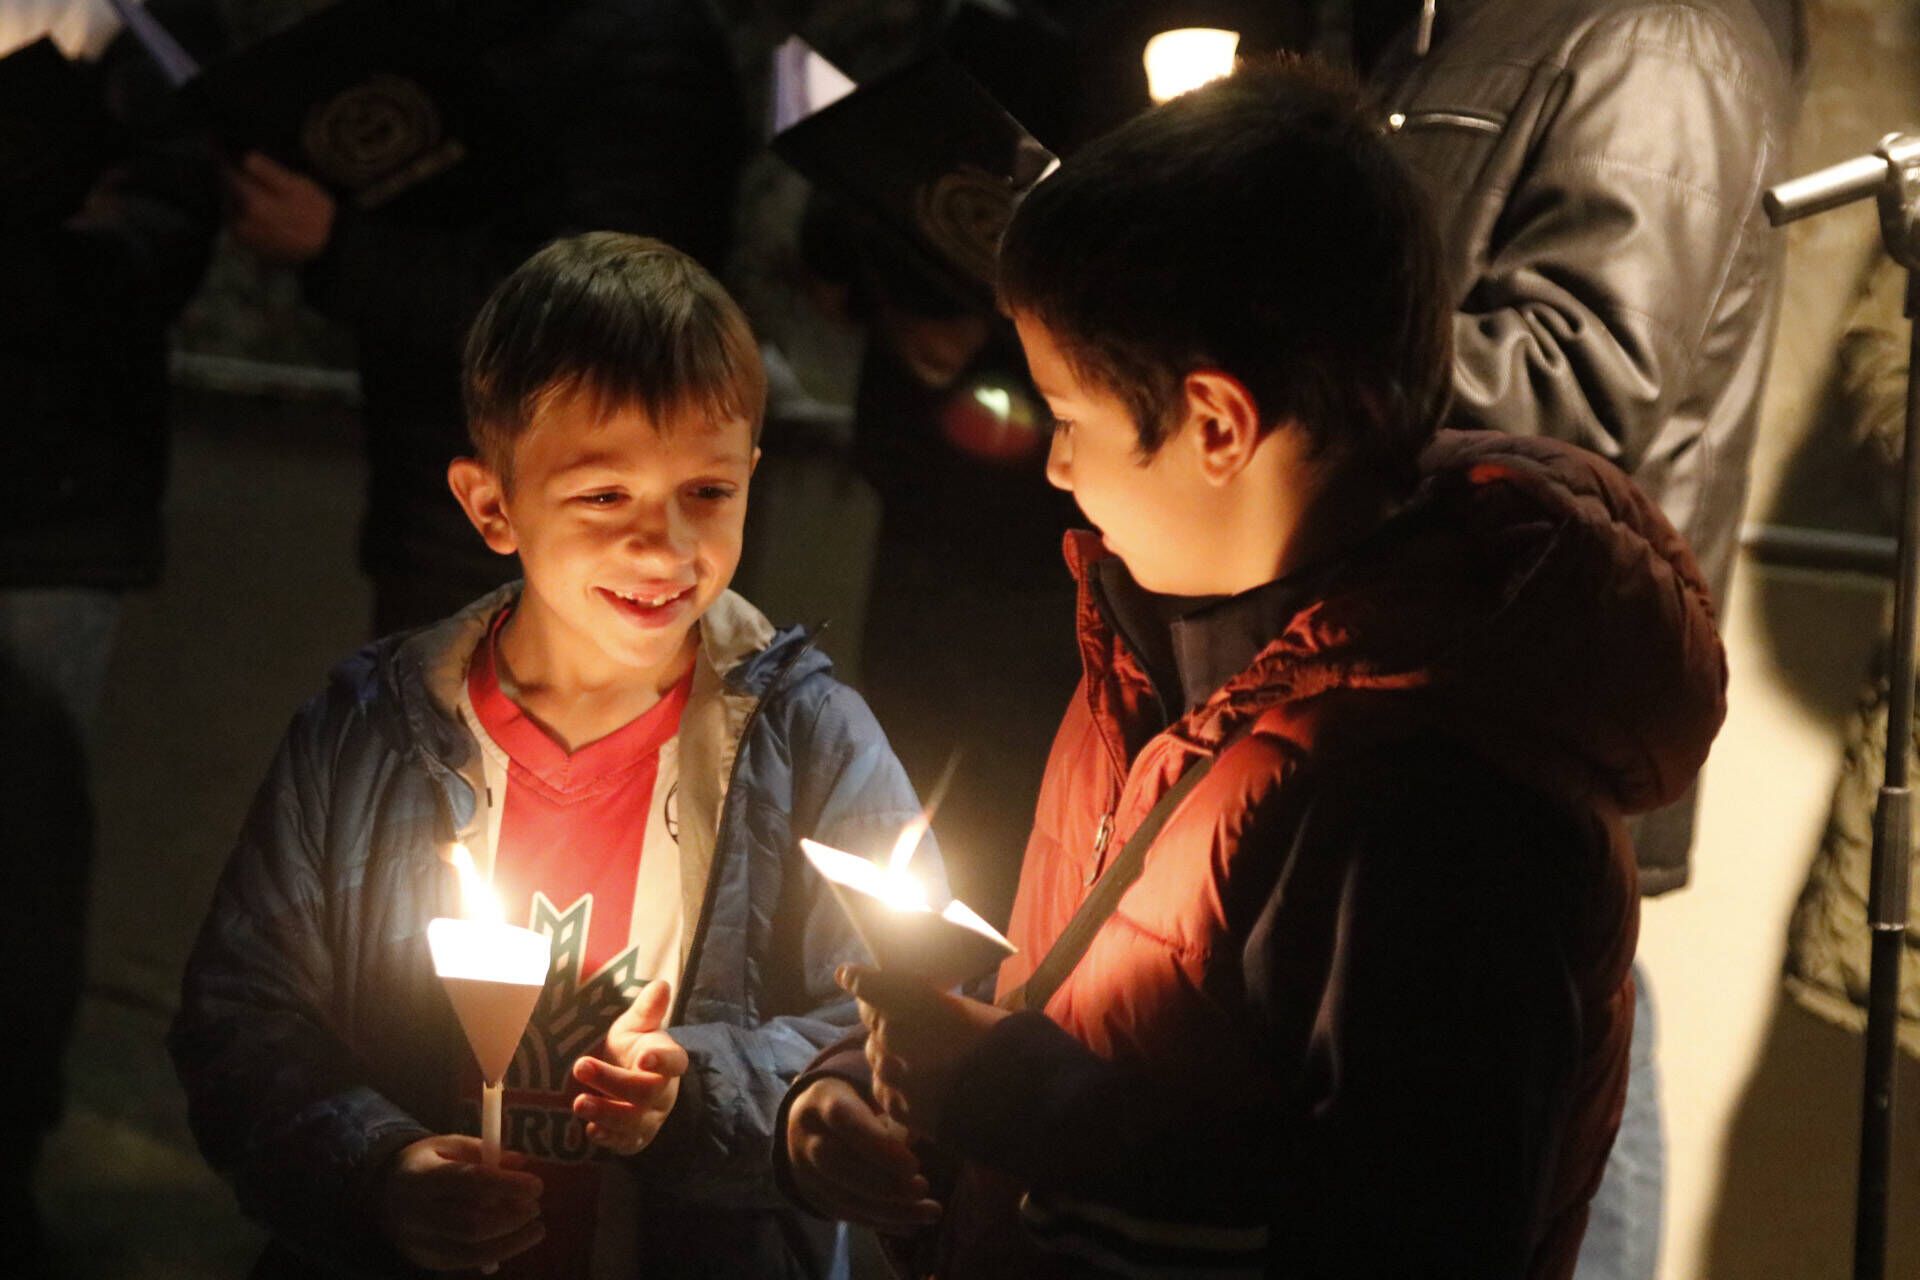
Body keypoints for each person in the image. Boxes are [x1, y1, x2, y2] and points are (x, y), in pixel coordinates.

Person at [775, 58, 1728, 1277]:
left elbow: (1407, 1224)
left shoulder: (1451, 786)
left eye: (1068, 416)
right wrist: (859, 1096)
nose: (1055, 466)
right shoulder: (1154, 649)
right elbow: (1070, 1006)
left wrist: (1010, 1098)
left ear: (1217, 424)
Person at [169, 233, 938, 1279]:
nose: (665, 544)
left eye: (706, 492)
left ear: (753, 474)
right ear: (492, 503)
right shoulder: (367, 732)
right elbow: (243, 1017)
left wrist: (720, 1092)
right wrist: (379, 1165)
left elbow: (903, 1009)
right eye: (604, 495)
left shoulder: (807, 741)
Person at [1352, 2, 1803, 1273]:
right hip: (1425, 650)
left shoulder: (1663, 37)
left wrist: (1279, 333)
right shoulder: (1454, 22)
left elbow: (1577, 379)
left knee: (1562, 1042)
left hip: (1532, 664)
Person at [219, 0, 747, 635]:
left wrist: (341, 247)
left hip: (576, 514)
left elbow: (614, 306)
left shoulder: (636, 41)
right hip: (452, 488)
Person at [0, 4, 221, 1260]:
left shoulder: (150, 33)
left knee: (19, 850)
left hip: (53, 513)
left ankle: (8, 1147)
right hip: (58, 489)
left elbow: (161, 236)